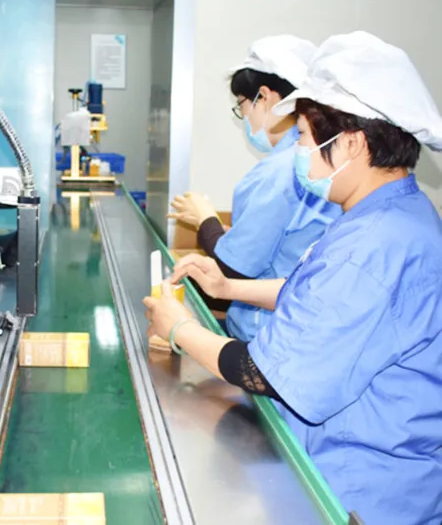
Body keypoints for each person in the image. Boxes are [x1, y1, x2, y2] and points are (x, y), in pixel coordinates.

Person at [145, 31, 442, 524]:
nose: (299, 151)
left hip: (364, 492)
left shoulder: (373, 243)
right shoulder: (392, 212)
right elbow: (320, 296)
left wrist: (179, 329)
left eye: (304, 136)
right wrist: (228, 287)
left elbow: (263, 373)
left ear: (352, 143)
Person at [169, 35, 342, 342]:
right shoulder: (315, 161)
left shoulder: (280, 170)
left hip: (265, 334)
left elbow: (233, 269)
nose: (245, 117)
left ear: (265, 97)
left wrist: (206, 219)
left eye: (242, 105)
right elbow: (279, 243)